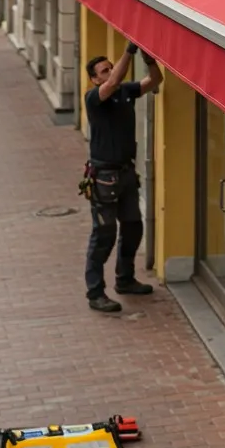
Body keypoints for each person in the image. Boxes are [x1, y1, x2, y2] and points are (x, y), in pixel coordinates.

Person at [82, 43, 162, 312]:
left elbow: (155, 80)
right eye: (104, 70)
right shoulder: (94, 98)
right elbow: (115, 80)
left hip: (126, 173)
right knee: (103, 234)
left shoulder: (126, 92)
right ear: (95, 79)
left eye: (110, 67)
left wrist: (149, 59)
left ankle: (124, 279)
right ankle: (95, 292)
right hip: (105, 177)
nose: (110, 72)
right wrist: (129, 52)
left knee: (133, 227)